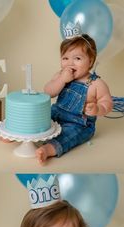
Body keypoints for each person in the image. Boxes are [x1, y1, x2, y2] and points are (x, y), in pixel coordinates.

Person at [36, 32, 112, 164]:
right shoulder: (60, 75)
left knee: (69, 136)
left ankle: (48, 150)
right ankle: (16, 134)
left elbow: (107, 103)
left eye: (77, 58)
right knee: (37, 118)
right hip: (56, 112)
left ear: (90, 61)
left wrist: (98, 108)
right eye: (65, 58)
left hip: (79, 123)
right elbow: (48, 92)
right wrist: (61, 80)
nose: (70, 63)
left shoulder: (96, 84)